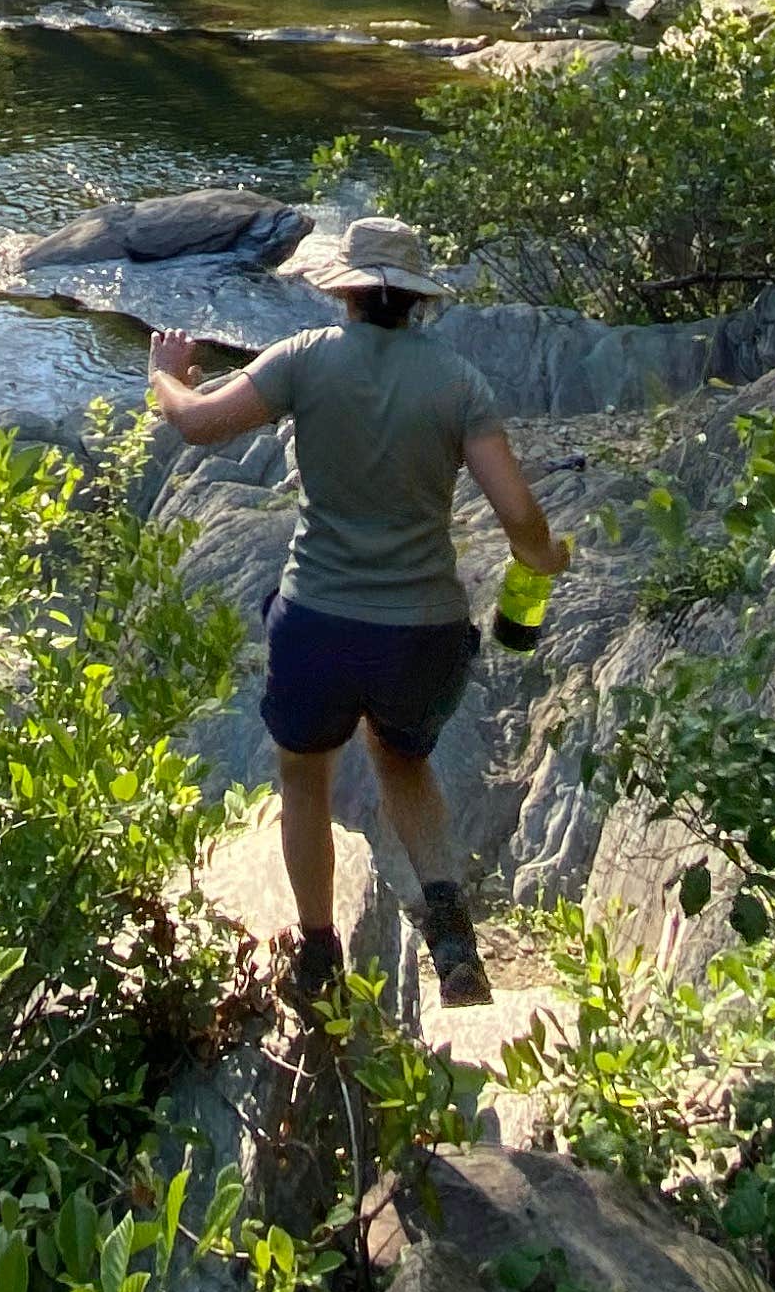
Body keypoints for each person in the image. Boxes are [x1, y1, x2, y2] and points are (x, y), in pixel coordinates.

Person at [145, 211, 570, 1014]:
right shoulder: (456, 382)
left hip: (319, 621)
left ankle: (317, 960)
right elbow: (519, 515)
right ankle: (452, 941)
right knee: (402, 760)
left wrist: (169, 372)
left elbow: (197, 424)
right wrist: (541, 563)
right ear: (416, 301)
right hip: (423, 632)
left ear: (343, 291)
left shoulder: (307, 359)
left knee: (306, 780)